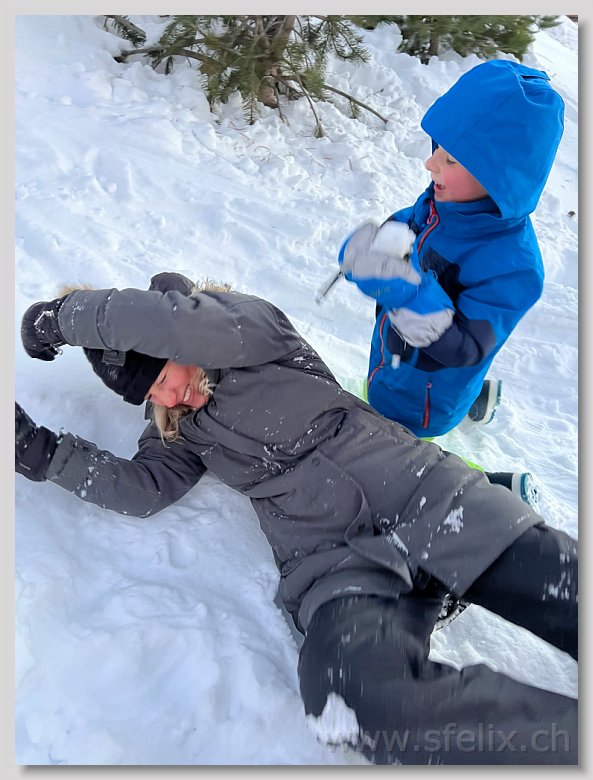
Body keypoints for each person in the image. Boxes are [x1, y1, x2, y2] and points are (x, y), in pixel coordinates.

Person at [15, 273, 577, 765]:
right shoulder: (182, 428)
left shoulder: (246, 334)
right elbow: (144, 488)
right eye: (154, 393)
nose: (172, 393)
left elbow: (176, 324)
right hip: (336, 565)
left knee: (565, 587)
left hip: (421, 497)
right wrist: (41, 452)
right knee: (352, 699)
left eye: (164, 372)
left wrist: (62, 319)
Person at [337, 60, 565, 442]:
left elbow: (466, 347)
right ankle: (478, 396)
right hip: (394, 355)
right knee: (385, 385)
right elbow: (414, 221)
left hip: (424, 402)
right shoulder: (445, 201)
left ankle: (474, 449)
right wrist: (380, 242)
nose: (430, 164)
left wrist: (404, 292)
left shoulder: (513, 269)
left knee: (393, 446)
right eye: (437, 149)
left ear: (499, 179)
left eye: (451, 159)